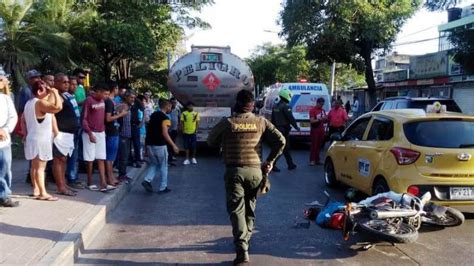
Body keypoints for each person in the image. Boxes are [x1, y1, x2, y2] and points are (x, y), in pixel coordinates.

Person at [208, 89, 285, 265]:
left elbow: (210, 141)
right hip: (256, 173)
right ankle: (246, 239)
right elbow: (281, 141)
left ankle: (242, 249)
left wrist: (224, 141)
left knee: (237, 211)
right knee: (250, 208)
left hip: (234, 173)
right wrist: (270, 160)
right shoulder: (261, 122)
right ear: (251, 105)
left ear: (237, 103)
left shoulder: (227, 122)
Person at [22, 80, 62, 201]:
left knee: (34, 167)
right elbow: (58, 107)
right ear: (40, 91)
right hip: (41, 140)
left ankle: (36, 190)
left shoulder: (29, 103)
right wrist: (55, 92)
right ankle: (43, 193)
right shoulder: (39, 103)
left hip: (32, 138)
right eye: (46, 90)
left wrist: (49, 92)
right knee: (40, 168)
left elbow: (23, 119)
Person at [141, 99, 179, 194]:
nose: (171, 108)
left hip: (150, 144)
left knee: (154, 164)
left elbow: (148, 130)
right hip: (160, 145)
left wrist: (146, 147)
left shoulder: (153, 115)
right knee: (163, 166)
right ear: (167, 107)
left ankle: (147, 180)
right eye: (170, 106)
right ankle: (163, 187)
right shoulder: (165, 118)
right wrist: (173, 145)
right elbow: (165, 133)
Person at [82, 83, 114, 192]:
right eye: (105, 94)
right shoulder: (89, 100)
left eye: (108, 94)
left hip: (101, 132)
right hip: (90, 132)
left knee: (101, 157)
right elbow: (84, 118)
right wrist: (89, 133)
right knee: (90, 159)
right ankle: (90, 182)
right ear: (98, 92)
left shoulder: (103, 101)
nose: (106, 96)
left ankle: (103, 183)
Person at [52, 73, 80, 196]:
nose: (67, 84)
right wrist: (56, 132)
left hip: (68, 133)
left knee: (64, 160)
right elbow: (52, 114)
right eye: (64, 82)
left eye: (68, 82)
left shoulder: (65, 95)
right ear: (56, 82)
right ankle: (60, 187)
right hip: (61, 133)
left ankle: (63, 183)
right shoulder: (54, 95)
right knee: (58, 160)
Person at [0, 75, 19, 207]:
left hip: (3, 140)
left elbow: (13, 117)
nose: (1, 82)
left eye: (2, 79)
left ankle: (4, 195)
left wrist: (4, 130)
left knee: (5, 168)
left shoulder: (6, 99)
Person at [271, 88, 299, 172]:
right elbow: (291, 118)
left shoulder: (275, 106)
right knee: (281, 148)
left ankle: (290, 164)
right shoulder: (286, 107)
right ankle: (272, 164)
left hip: (277, 129)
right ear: (286, 96)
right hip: (284, 130)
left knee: (285, 148)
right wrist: (296, 127)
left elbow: (273, 119)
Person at [105, 82, 127, 186]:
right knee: (110, 157)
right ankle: (109, 178)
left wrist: (118, 111)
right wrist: (121, 114)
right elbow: (108, 118)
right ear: (114, 89)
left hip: (114, 130)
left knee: (112, 156)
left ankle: (111, 176)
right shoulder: (109, 101)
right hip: (111, 131)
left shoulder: (112, 101)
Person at [65, 76, 83, 189]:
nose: (74, 86)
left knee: (74, 155)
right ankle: (70, 178)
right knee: (70, 155)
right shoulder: (65, 97)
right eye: (72, 84)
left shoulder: (72, 97)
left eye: (75, 84)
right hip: (68, 131)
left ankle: (73, 177)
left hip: (76, 128)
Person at [117, 90, 136, 182]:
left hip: (127, 134)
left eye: (134, 98)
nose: (133, 99)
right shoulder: (122, 106)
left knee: (125, 156)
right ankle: (121, 175)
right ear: (126, 97)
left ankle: (123, 174)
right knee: (123, 156)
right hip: (122, 134)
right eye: (131, 97)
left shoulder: (128, 106)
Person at [309, 98, 327, 165]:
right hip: (315, 130)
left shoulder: (322, 110)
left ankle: (317, 159)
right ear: (317, 103)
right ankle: (312, 160)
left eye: (323, 104)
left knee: (319, 145)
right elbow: (312, 121)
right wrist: (320, 119)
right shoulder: (312, 110)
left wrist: (325, 119)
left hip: (321, 130)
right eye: (321, 104)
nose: (322, 106)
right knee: (314, 145)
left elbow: (325, 120)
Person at [168, 97, 180, 162]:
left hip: (175, 129)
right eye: (173, 103)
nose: (174, 104)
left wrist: (178, 127)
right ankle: (168, 156)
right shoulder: (168, 110)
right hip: (168, 130)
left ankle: (172, 156)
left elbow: (179, 119)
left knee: (173, 142)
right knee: (168, 143)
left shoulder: (178, 110)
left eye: (175, 102)